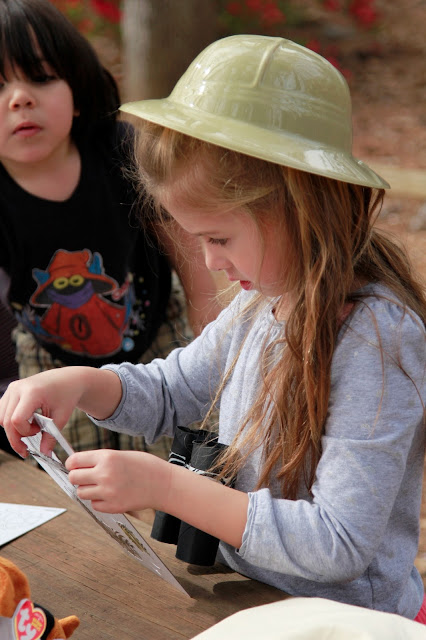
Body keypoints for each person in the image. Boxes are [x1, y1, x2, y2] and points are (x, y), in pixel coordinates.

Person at [1, 35, 425, 622]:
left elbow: (339, 542)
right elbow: (173, 390)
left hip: (344, 623)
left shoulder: (376, 340)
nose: (208, 262)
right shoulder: (261, 302)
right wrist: (78, 384)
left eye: (219, 238)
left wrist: (168, 488)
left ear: (301, 207)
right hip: (250, 599)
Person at [0, 0, 218, 459]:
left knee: (175, 461)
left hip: (155, 337)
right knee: (74, 471)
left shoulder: (120, 150)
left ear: (78, 89)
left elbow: (183, 244)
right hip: (49, 355)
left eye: (40, 78)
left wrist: (209, 334)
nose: (20, 98)